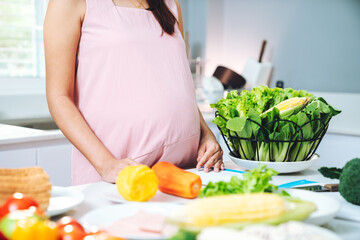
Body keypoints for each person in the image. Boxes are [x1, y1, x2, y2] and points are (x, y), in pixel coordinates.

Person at [44, 0, 224, 185]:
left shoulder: (170, 4)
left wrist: (205, 133)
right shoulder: (69, 3)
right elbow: (59, 97)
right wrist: (106, 164)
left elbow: (177, 85)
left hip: (186, 170)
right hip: (121, 174)